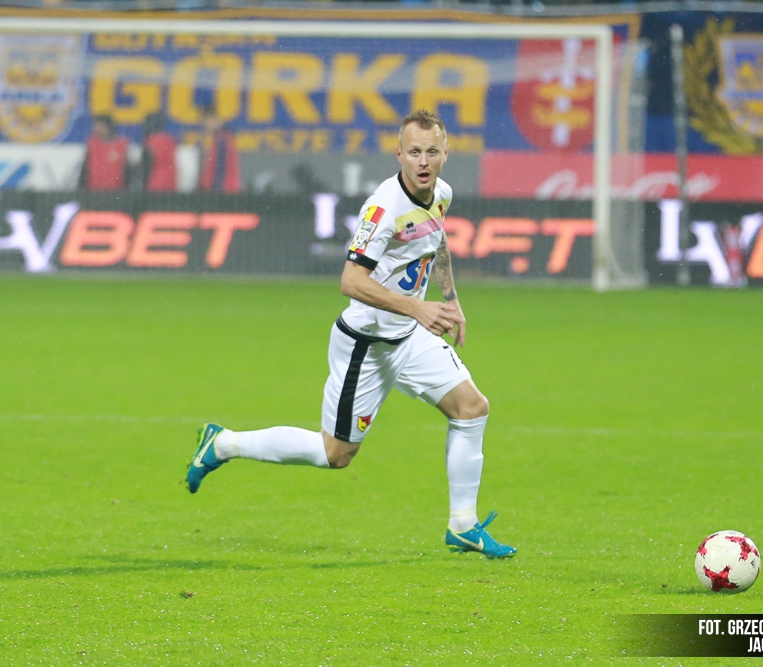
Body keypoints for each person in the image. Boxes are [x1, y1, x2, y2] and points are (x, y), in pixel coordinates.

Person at [185, 109, 516, 560]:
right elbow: (351, 281)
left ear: (446, 154)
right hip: (368, 345)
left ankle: (462, 526)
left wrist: (450, 298)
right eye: (414, 152)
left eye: (431, 152)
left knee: (472, 408)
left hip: (409, 336)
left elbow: (435, 242)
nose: (423, 161)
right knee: (335, 453)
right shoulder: (383, 210)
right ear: (398, 154)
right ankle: (224, 443)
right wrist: (418, 308)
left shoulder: (441, 193)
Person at [198, 103, 241, 193]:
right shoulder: (221, 137)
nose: (205, 125)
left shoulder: (222, 138)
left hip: (223, 190)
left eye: (205, 121)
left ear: (212, 119)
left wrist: (215, 190)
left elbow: (220, 169)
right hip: (225, 188)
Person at [79, 115, 128, 191]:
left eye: (99, 126)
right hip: (94, 189)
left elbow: (126, 170)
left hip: (116, 190)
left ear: (107, 127)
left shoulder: (121, 145)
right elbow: (86, 167)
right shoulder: (92, 143)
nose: (95, 129)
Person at [141, 112, 177, 192]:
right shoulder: (170, 140)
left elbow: (147, 166)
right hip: (170, 182)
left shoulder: (151, 141)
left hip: (155, 183)